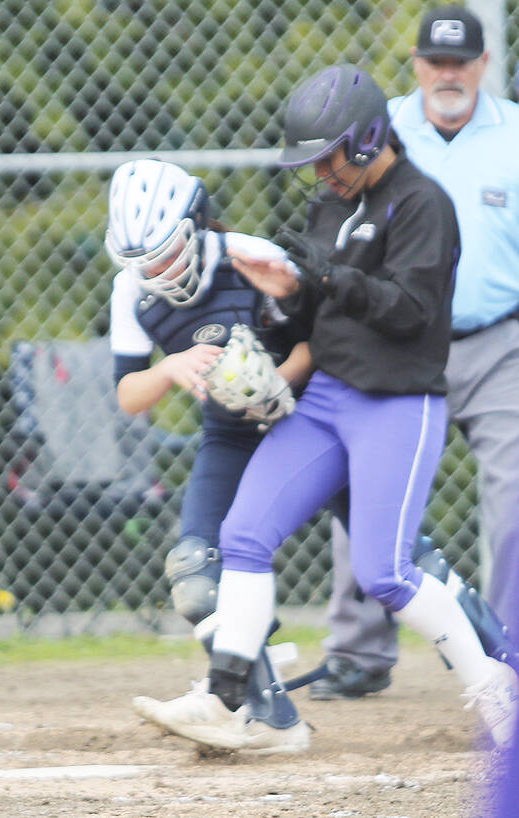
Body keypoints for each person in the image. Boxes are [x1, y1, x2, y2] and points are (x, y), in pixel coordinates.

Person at [139, 62, 518, 753]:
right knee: (244, 537)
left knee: (386, 572)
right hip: (327, 401)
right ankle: (232, 704)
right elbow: (314, 312)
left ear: (369, 138)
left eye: (328, 158)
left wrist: (320, 275)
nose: (322, 174)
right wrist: (283, 296)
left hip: (398, 404)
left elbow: (410, 312)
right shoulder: (332, 206)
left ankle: (497, 690)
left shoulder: (422, 204)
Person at [312, 3, 519, 703]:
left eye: (462, 61)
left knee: (516, 495)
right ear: (416, 64)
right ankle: (358, 653)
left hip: (497, 344)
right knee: (364, 485)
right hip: (391, 344)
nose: (449, 73)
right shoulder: (379, 130)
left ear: (485, 65)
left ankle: (507, 651)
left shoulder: (516, 137)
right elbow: (334, 222)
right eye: (436, 60)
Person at [106, 158, 314, 753]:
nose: (156, 270)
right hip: (231, 432)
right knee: (195, 575)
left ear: (197, 224)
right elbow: (127, 396)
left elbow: (324, 338)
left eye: (167, 251)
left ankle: (497, 665)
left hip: (313, 419)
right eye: (143, 260)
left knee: (394, 558)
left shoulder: (249, 257)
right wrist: (167, 368)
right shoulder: (133, 291)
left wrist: (279, 379)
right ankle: (264, 711)